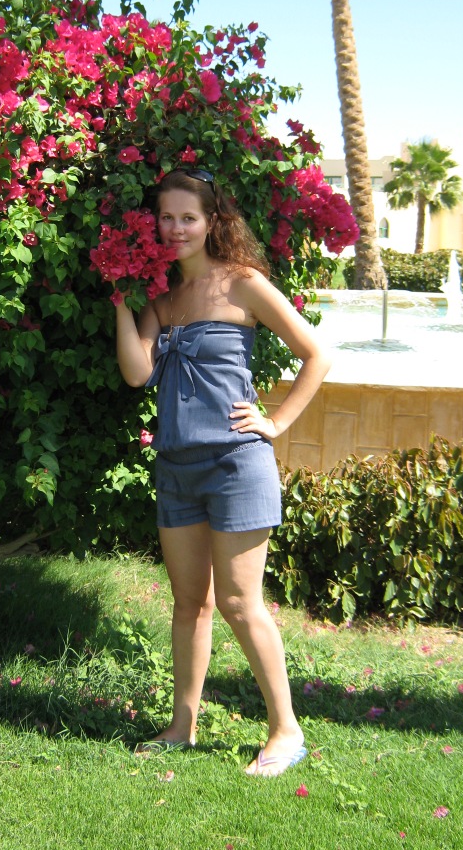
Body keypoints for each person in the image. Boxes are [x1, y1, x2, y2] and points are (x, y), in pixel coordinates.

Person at [114, 167, 332, 777]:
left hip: (236, 464)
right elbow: (136, 373)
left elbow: (316, 354)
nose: (175, 228)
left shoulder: (242, 283)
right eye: (166, 217)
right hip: (177, 466)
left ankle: (286, 731)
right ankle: (182, 726)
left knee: (239, 602)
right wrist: (120, 303)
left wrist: (276, 421)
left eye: (188, 217)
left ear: (212, 221)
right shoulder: (161, 299)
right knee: (190, 604)